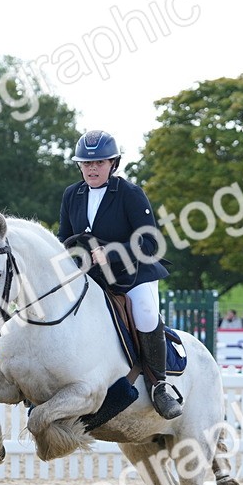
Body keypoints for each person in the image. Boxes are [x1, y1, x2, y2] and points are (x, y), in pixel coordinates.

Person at [57, 129, 181, 419]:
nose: (92, 168)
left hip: (133, 275)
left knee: (147, 313)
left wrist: (111, 252)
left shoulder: (130, 194)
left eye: (99, 163)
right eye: (86, 164)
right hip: (92, 277)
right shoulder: (72, 195)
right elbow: (63, 237)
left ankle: (158, 385)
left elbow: (150, 243)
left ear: (113, 163)